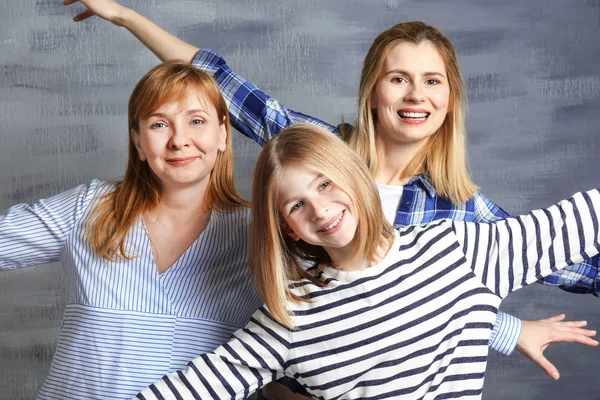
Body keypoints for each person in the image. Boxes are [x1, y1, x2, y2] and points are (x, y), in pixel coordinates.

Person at [63, 0, 599, 387]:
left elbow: (425, 305)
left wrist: (503, 328)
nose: (416, 95)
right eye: (399, 79)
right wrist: (125, 15)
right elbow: (224, 83)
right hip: (285, 375)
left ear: (451, 99)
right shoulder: (315, 156)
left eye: (433, 81)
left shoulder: (459, 216)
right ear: (373, 89)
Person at [136, 124, 600, 400]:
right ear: (289, 230)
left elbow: (581, 220)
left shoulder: (455, 248)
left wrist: (510, 330)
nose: (319, 209)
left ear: (356, 179)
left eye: (324, 184)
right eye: (295, 206)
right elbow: (191, 389)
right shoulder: (288, 317)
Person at [0, 61, 263, 399]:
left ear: (223, 133)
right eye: (158, 124)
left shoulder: (262, 234)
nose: (179, 140)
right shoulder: (89, 208)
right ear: (138, 141)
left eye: (196, 121)